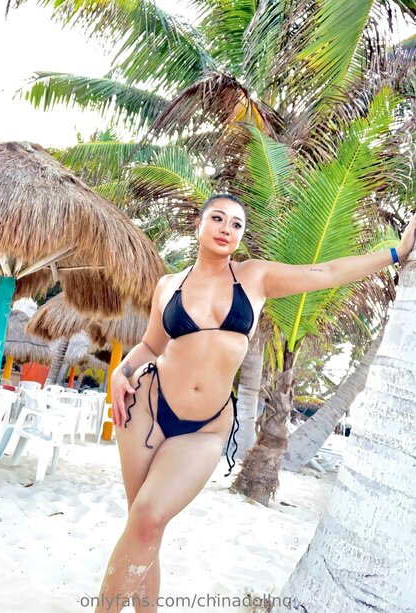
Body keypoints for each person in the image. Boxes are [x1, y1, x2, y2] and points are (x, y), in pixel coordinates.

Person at [96, 194, 416, 612]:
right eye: (217, 218)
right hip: (146, 410)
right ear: (199, 225)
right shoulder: (168, 285)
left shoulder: (254, 277)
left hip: (205, 427)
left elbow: (327, 271)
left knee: (149, 518)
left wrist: (396, 252)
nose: (226, 228)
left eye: (236, 224)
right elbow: (150, 346)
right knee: (141, 526)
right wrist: (120, 373)